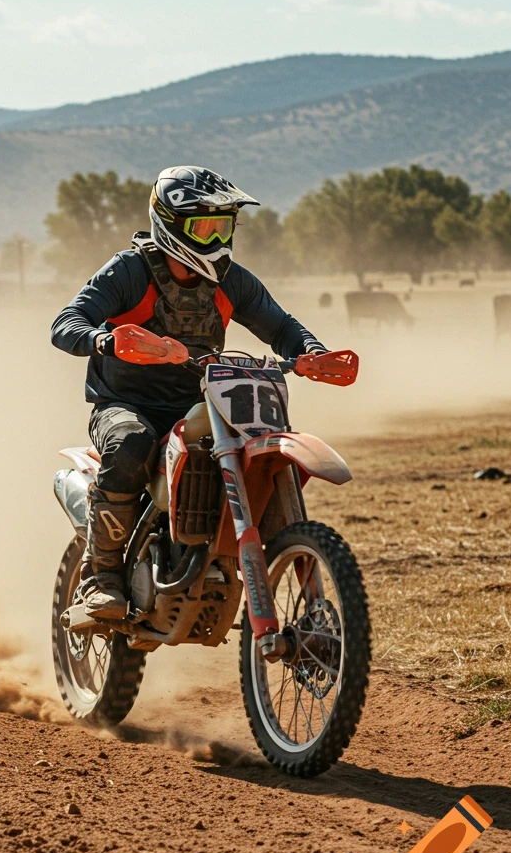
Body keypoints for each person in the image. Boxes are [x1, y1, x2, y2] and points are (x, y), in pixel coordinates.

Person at [50, 166, 327, 619]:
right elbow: (66, 324)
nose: (218, 241)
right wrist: (104, 339)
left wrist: (310, 351)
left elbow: (278, 326)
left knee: (263, 451)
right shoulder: (129, 271)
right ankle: (99, 576)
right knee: (130, 443)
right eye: (205, 227)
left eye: (225, 227)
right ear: (170, 224)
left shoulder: (231, 281)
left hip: (204, 404)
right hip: (126, 405)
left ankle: (303, 600)